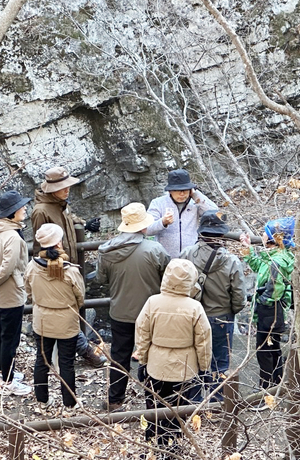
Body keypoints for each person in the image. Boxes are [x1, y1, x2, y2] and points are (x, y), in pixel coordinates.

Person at [96, 202, 170, 411]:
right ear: (143, 225)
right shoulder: (154, 249)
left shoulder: (107, 250)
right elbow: (167, 277)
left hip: (120, 311)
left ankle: (114, 400)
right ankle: (153, 399)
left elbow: (101, 279)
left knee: (119, 356)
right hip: (150, 312)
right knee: (152, 354)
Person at [30, 166, 106, 368]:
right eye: (63, 187)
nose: (67, 190)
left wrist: (85, 224)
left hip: (68, 265)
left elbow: (69, 219)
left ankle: (76, 352)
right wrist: (50, 258)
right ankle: (85, 352)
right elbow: (40, 241)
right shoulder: (41, 211)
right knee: (67, 314)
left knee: (69, 313)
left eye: (68, 186)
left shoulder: (61, 204)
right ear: (51, 189)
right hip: (54, 269)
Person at [135, 258, 212, 456]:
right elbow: (203, 341)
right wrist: (205, 368)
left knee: (154, 405)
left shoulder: (153, 302)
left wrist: (142, 360)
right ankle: (172, 445)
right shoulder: (194, 307)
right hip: (184, 367)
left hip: (156, 364)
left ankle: (153, 443)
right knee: (178, 409)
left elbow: (142, 333)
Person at [180, 211, 246, 401]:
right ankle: (218, 403)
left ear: (200, 233)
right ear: (222, 235)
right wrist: (232, 310)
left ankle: (193, 402)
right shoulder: (232, 261)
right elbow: (239, 297)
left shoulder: (186, 255)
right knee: (221, 360)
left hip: (192, 315)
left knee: (193, 357)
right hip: (221, 317)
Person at [25, 224, 85, 409]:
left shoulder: (32, 267)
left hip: (42, 319)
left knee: (42, 361)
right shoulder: (70, 271)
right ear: (59, 243)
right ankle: (70, 403)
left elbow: (28, 292)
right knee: (67, 363)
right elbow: (80, 296)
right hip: (66, 321)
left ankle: (43, 401)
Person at [0, 190, 32, 396]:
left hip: (0, 291)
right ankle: (8, 382)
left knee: (0, 332)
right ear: (12, 213)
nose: (25, 208)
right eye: (21, 207)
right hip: (11, 291)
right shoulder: (13, 236)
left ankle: (0, 372)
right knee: (10, 337)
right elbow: (9, 266)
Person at [241, 218, 295, 389]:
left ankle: (266, 390)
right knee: (274, 349)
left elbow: (274, 288)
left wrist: (260, 300)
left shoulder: (276, 261)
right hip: (275, 312)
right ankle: (277, 384)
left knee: (264, 352)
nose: (262, 235)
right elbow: (260, 267)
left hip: (270, 313)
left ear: (273, 238)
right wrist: (248, 249)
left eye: (265, 232)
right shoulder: (277, 255)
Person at [146, 169, 218, 258]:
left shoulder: (195, 203)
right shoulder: (158, 203)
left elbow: (215, 213)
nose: (182, 193)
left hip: (191, 257)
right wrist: (163, 222)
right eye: (177, 190)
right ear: (170, 190)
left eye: (185, 189)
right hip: (165, 258)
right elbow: (147, 230)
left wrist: (196, 195)